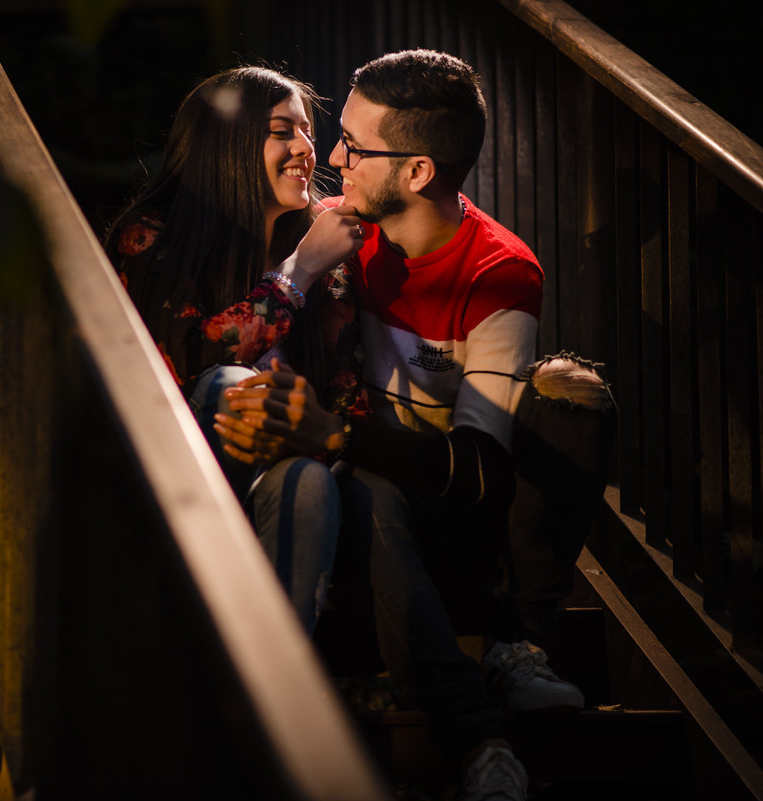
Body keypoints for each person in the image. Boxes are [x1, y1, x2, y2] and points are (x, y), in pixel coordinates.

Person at [220, 49, 614, 801]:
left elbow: (478, 467)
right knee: (367, 485)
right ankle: (479, 732)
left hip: (456, 518)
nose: (333, 158)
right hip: (367, 512)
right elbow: (222, 339)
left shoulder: (499, 269)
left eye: (355, 148)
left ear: (417, 173)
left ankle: (521, 639)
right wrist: (298, 270)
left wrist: (332, 433)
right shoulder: (338, 233)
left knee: (573, 397)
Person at [102, 66, 370, 630]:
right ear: (227, 143)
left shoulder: (325, 256)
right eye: (281, 131)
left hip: (277, 494)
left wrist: (316, 433)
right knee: (227, 385)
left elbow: (348, 396)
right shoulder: (152, 238)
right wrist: (297, 273)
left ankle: (276, 690)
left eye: (308, 133)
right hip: (171, 494)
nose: (305, 149)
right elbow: (192, 363)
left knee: (310, 482)